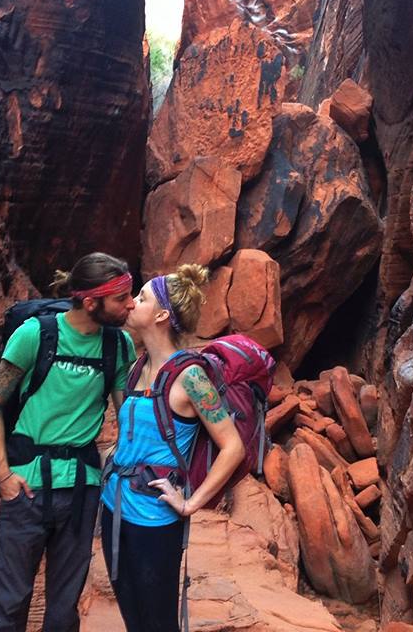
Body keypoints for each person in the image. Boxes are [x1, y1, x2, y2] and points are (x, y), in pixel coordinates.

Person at [0, 252, 136, 632]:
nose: (130, 304)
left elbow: (129, 415)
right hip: (26, 486)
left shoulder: (118, 346)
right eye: (121, 298)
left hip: (81, 489)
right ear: (90, 301)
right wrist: (3, 476)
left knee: (64, 609)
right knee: (10, 602)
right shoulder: (36, 335)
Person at [100, 264, 245, 632]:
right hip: (115, 510)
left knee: (159, 623)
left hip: (155, 521)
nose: (131, 303)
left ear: (162, 315)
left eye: (142, 297)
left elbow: (233, 447)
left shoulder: (190, 377)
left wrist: (190, 503)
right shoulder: (138, 367)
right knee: (135, 620)